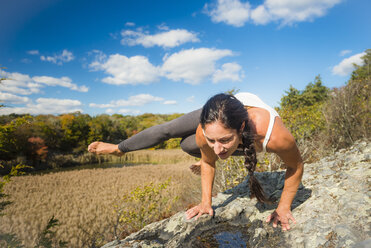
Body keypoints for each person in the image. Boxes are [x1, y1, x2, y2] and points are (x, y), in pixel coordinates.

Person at [88, 92, 304, 231]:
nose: (218, 149)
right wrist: (205, 203)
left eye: (225, 140)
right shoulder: (205, 132)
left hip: (245, 127)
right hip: (221, 110)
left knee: (213, 150)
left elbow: (296, 165)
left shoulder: (273, 136)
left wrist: (284, 207)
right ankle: (119, 148)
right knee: (179, 139)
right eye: (212, 141)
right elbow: (211, 162)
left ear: (239, 130)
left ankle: (218, 145)